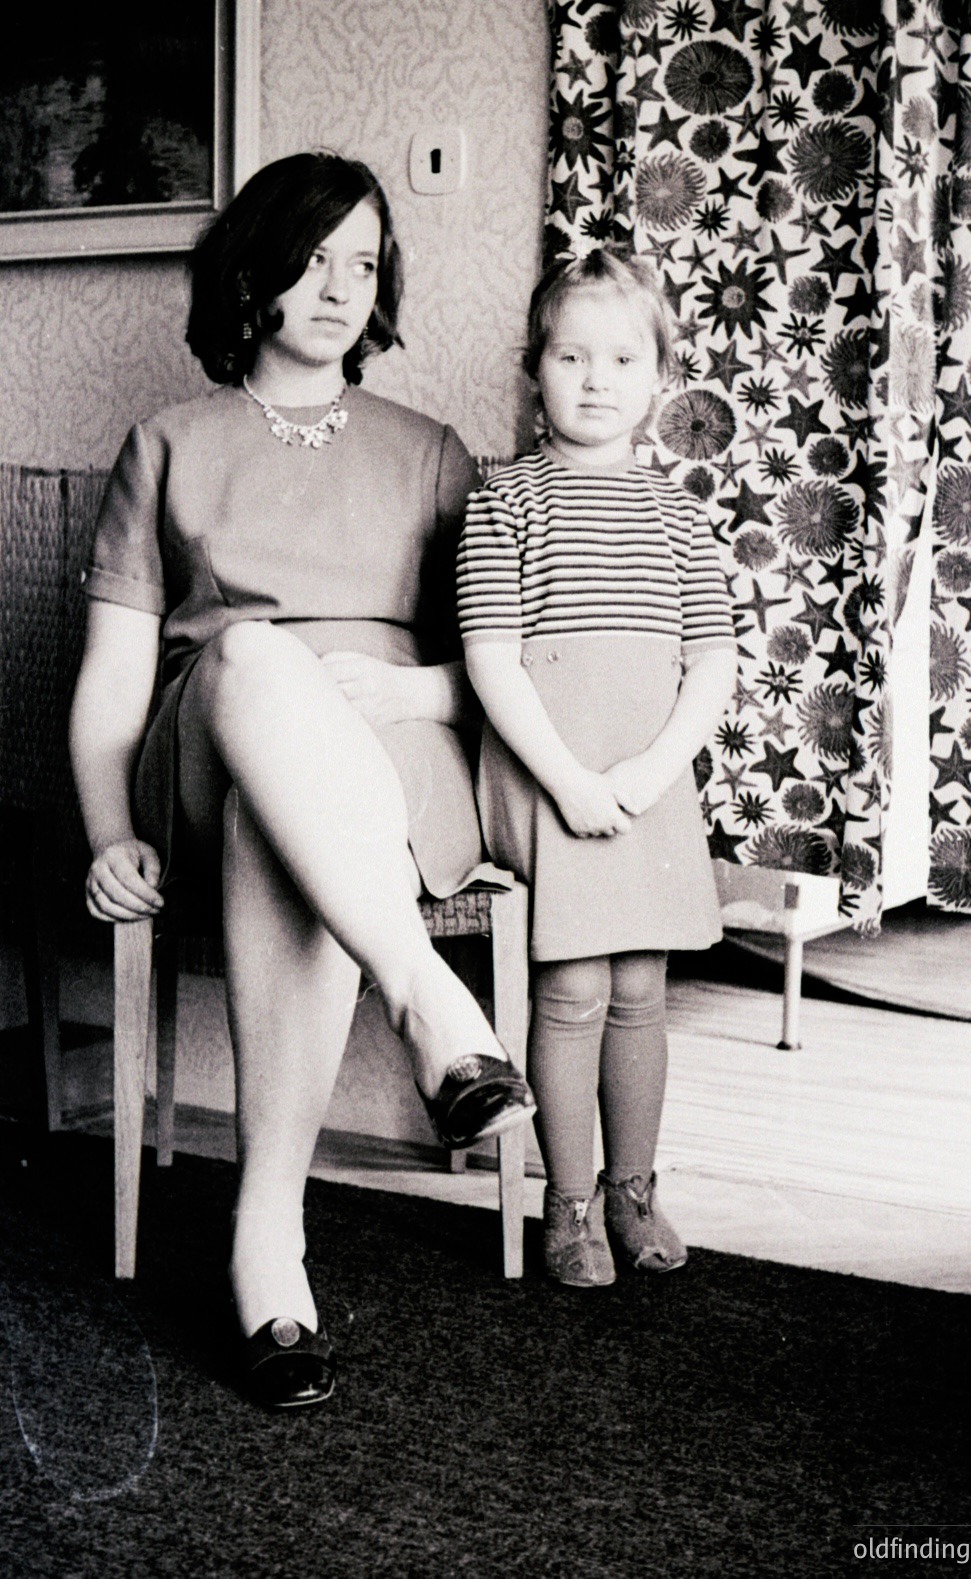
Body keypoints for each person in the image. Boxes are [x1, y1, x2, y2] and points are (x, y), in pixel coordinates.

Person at [68, 151, 535, 1407]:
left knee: (306, 811)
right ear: (252, 273)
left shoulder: (432, 453)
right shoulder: (168, 440)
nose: (339, 286)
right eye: (314, 255)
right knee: (257, 661)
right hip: (209, 756)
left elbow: (497, 664)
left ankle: (266, 1246)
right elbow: (117, 675)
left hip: (387, 769)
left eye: (364, 262)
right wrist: (108, 828)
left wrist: (417, 692)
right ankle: (431, 1000)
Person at [455, 249, 737, 1287]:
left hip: (647, 778)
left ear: (658, 375)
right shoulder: (505, 500)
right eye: (570, 354)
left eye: (622, 356)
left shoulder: (675, 514)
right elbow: (490, 657)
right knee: (570, 988)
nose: (596, 377)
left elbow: (711, 661)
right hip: (549, 774)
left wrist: (655, 769)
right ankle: (565, 1204)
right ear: (534, 368)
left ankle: (632, 1189)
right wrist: (569, 781)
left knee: (641, 990)